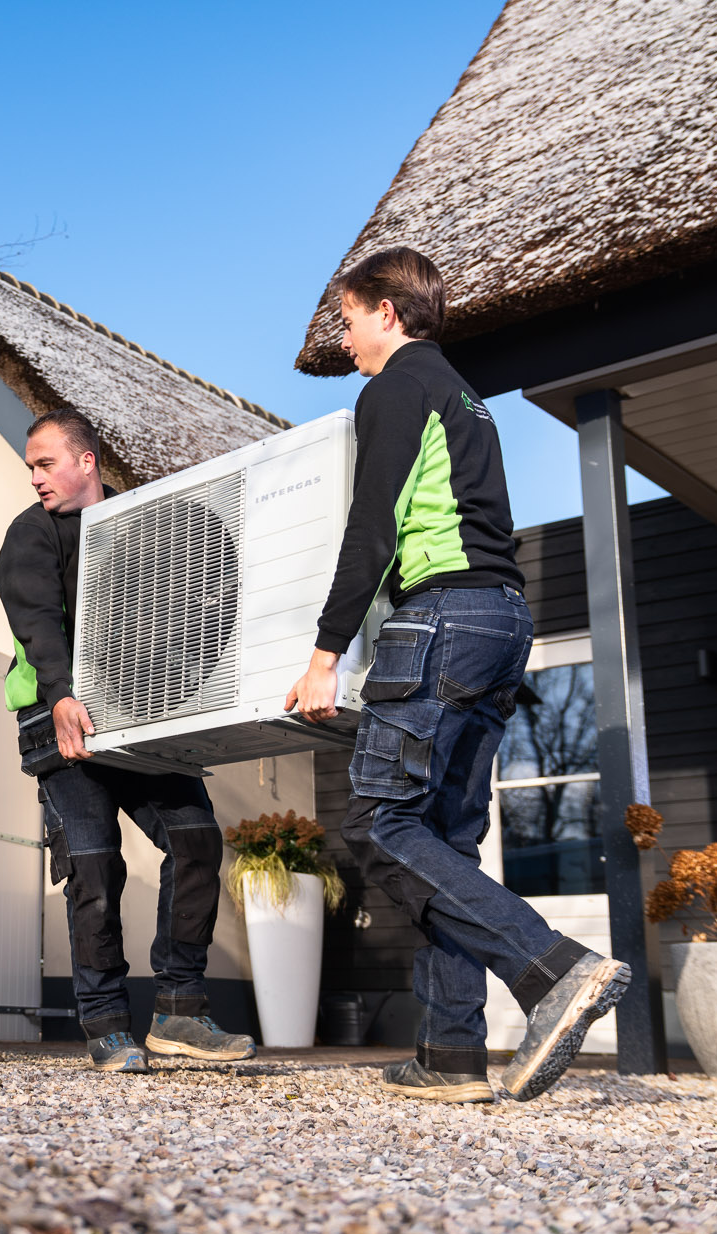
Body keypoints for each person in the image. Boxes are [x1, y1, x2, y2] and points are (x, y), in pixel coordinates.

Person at [286, 247, 631, 1104]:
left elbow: (372, 529)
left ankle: (551, 969)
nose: (346, 335)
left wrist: (327, 654)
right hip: (502, 621)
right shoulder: (467, 398)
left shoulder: (395, 388)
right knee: (445, 838)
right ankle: (450, 1054)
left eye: (351, 317)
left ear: (388, 314)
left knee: (379, 820)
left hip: (440, 615)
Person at [0, 408, 254, 1074]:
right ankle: (107, 1023)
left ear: (87, 462)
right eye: (30, 466)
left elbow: (186, 602)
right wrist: (60, 694)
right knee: (94, 862)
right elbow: (39, 626)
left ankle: (179, 1011)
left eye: (44, 463)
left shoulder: (143, 523)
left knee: (196, 839)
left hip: (140, 711)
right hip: (59, 718)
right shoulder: (29, 537)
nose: (34, 478)